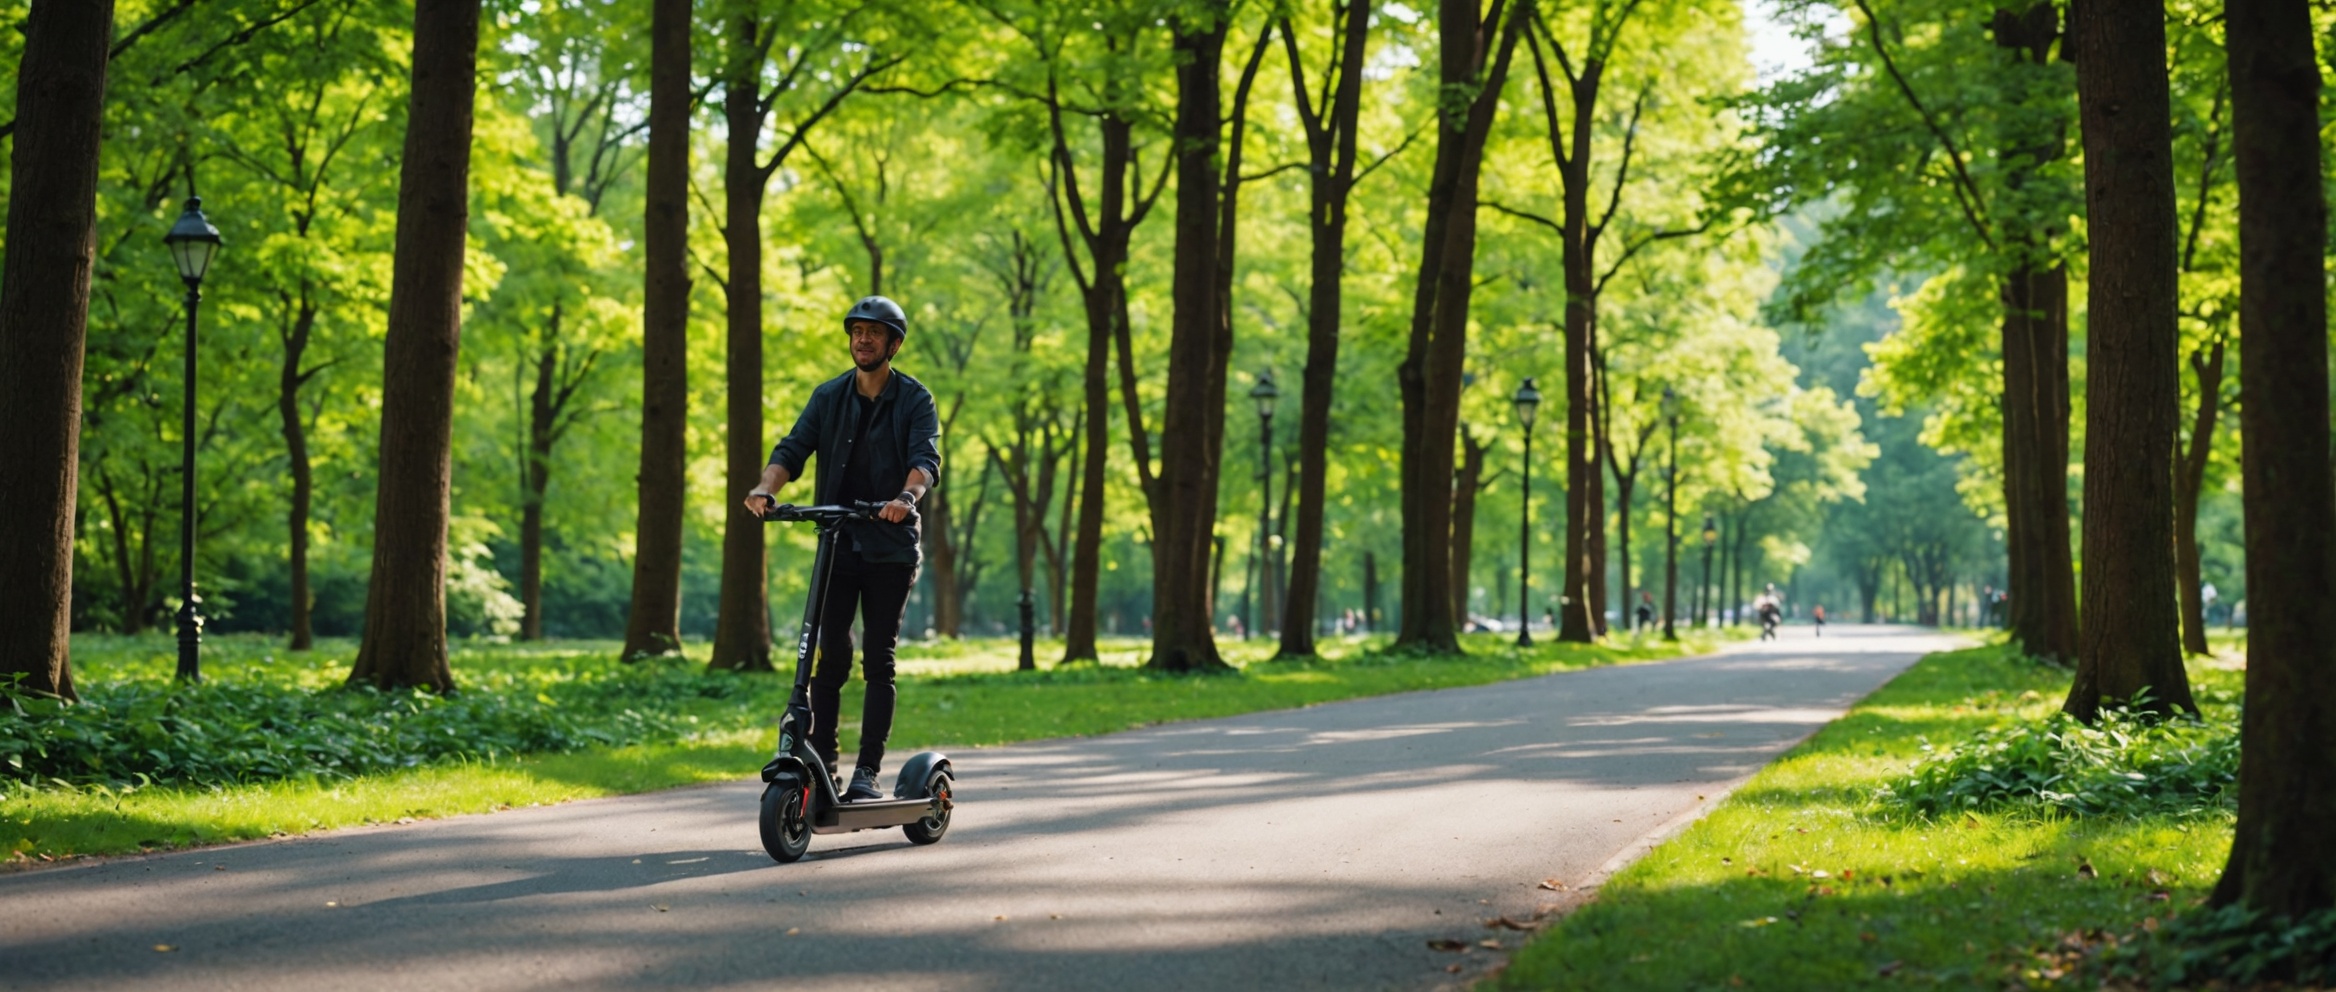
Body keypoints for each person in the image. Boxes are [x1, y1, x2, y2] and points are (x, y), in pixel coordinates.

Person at [742, 295, 941, 803]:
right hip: (839, 542)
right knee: (829, 658)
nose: (863, 339)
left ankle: (867, 773)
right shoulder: (828, 396)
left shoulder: (915, 399)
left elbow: (925, 460)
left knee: (878, 658)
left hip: (891, 548)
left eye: (874, 333)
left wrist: (904, 498)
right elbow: (792, 449)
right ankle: (825, 765)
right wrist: (768, 488)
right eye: (857, 331)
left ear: (893, 344)